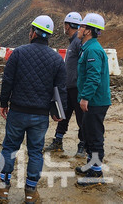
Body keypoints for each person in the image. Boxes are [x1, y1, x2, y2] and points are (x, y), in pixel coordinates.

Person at [0, 15, 67, 204]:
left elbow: (7, 81)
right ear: (48, 36)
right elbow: (61, 89)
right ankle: (31, 192)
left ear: (32, 32)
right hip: (40, 116)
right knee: (35, 152)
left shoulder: (18, 53)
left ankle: (3, 187)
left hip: (17, 112)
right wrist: (58, 112)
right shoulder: (57, 59)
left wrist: (3, 103)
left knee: (9, 148)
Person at [73, 13, 111, 186]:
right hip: (93, 100)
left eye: (81, 27)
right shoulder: (88, 47)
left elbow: (93, 76)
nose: (79, 29)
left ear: (88, 30)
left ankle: (96, 173)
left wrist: (85, 97)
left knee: (95, 136)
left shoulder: (93, 50)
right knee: (88, 133)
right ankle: (91, 164)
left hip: (96, 101)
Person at [44, 12, 86, 157]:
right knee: (63, 116)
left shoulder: (78, 43)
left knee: (81, 119)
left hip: (77, 87)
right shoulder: (74, 42)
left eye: (64, 25)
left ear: (67, 26)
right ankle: (58, 141)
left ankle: (83, 145)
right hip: (69, 86)